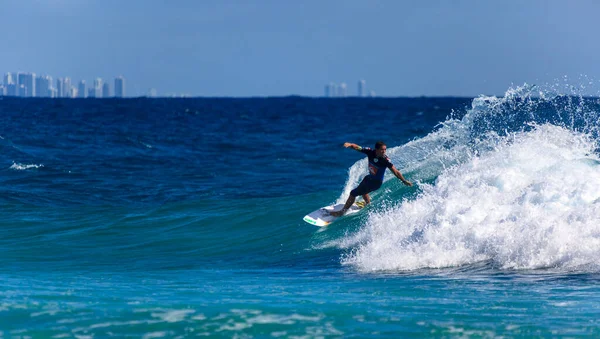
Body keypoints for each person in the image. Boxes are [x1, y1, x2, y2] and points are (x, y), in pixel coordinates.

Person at [330, 141, 412, 217]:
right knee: (363, 188)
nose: (384, 152)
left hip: (376, 183)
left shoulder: (385, 160)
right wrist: (350, 145)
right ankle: (368, 204)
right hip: (369, 178)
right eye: (382, 150)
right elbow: (358, 147)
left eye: (385, 150)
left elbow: (396, 171)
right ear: (376, 149)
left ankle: (342, 212)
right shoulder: (370, 152)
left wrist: (403, 180)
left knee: (353, 193)